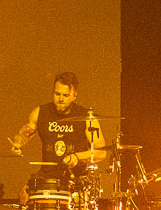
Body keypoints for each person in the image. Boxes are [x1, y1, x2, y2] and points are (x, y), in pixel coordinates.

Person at [8, 70, 108, 200]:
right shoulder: (40, 112)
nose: (60, 99)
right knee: (24, 196)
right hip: (47, 176)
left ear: (74, 96)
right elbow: (25, 133)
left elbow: (101, 152)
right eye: (57, 94)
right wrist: (18, 143)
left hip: (75, 179)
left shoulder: (86, 117)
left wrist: (77, 156)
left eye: (66, 95)